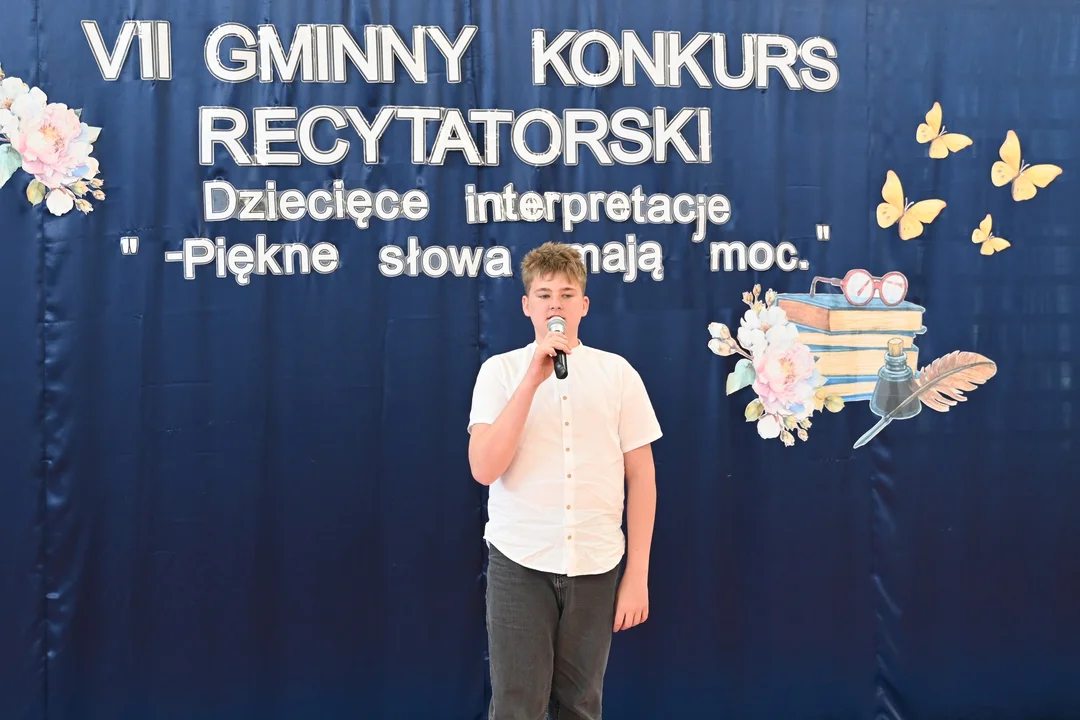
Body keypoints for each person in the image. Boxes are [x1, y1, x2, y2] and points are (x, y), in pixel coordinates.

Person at [467, 241, 663, 720]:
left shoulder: (618, 374)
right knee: (517, 706)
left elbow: (642, 475)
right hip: (520, 561)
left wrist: (637, 575)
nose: (555, 304)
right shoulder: (499, 373)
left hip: (596, 564)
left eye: (567, 294)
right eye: (544, 294)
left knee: (581, 706)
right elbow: (484, 469)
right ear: (526, 305)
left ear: (584, 305)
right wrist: (532, 380)